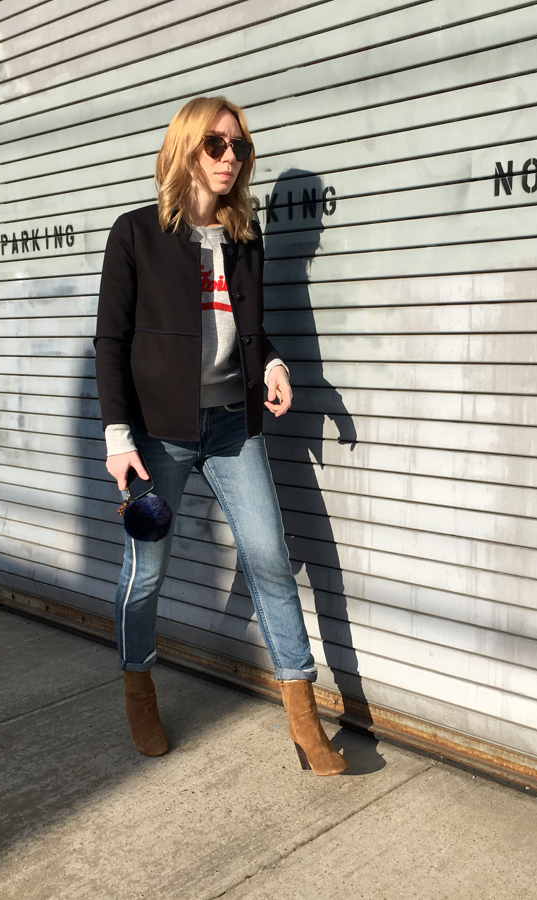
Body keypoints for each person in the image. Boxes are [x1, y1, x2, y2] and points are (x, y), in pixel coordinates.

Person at [93, 96, 347, 776]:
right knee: (145, 574)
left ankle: (303, 714)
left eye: (239, 146)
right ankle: (138, 686)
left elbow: (253, 331)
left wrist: (274, 365)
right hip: (158, 435)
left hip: (233, 426)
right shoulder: (136, 234)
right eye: (216, 144)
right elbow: (110, 341)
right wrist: (119, 436)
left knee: (269, 558)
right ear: (186, 150)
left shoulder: (244, 236)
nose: (231, 156)